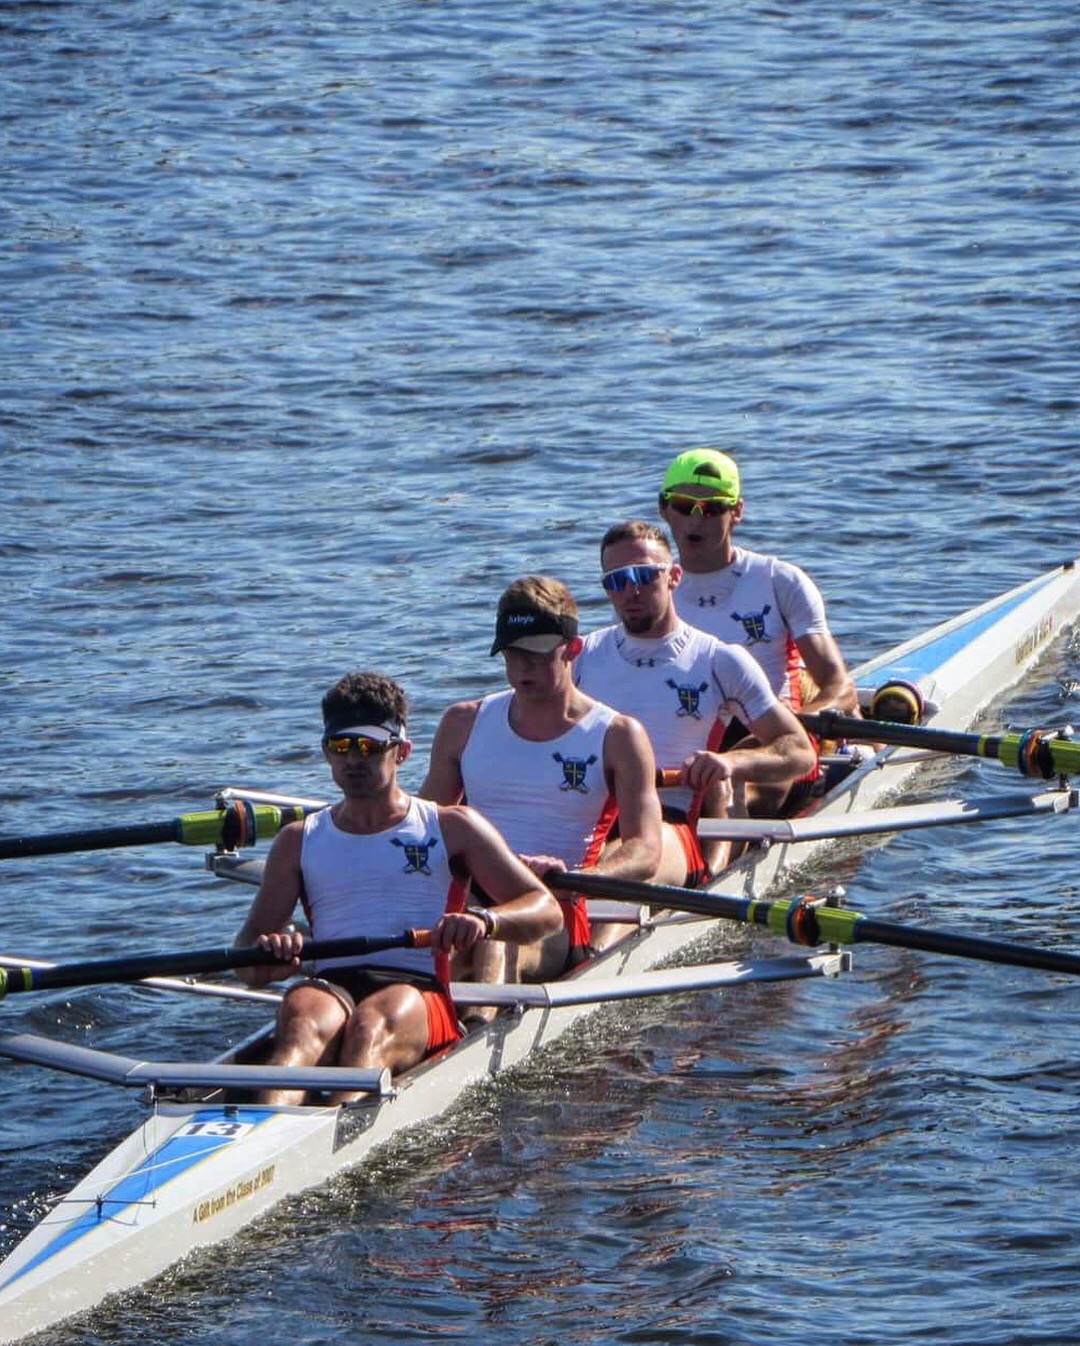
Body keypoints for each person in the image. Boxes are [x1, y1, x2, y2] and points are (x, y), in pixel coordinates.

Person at [234, 671, 562, 1104]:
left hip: (420, 990)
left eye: (369, 747)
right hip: (333, 984)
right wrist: (276, 955)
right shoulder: (299, 840)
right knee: (299, 1027)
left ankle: (334, 1137)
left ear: (402, 752)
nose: (354, 760)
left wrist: (486, 921)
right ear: (326, 754)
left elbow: (546, 910)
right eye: (341, 747)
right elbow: (248, 966)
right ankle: (264, 1142)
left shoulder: (451, 827)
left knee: (370, 1027)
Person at [419, 575, 665, 972]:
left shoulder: (618, 735)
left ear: (573, 649)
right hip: (470, 903)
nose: (522, 669)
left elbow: (646, 852)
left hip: (558, 909)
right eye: (513, 654)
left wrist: (578, 876)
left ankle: (481, 1026)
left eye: (536, 655)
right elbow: (423, 830)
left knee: (493, 942)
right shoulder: (463, 722)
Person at [574, 520, 816, 880]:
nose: (631, 591)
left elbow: (799, 751)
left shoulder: (719, 660)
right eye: (617, 580)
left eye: (644, 575)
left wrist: (730, 763)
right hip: (588, 818)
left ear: (674, 576)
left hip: (671, 824)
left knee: (610, 865)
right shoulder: (580, 657)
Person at [659, 447, 859, 811]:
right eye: (685, 506)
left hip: (771, 732)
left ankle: (716, 823)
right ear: (664, 509)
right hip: (690, 736)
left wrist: (791, 727)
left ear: (737, 512)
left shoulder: (779, 581)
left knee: (746, 775)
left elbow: (840, 688)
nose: (696, 520)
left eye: (714, 508)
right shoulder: (651, 591)